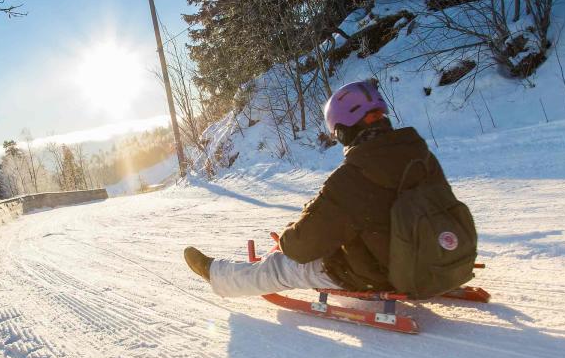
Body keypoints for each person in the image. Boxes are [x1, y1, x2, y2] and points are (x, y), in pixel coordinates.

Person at [184, 79, 455, 299]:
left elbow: (302, 248)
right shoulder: (421, 156)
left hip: (383, 274)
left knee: (283, 267)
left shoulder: (353, 177)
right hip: (438, 258)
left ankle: (217, 275)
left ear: (344, 129)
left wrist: (287, 241)